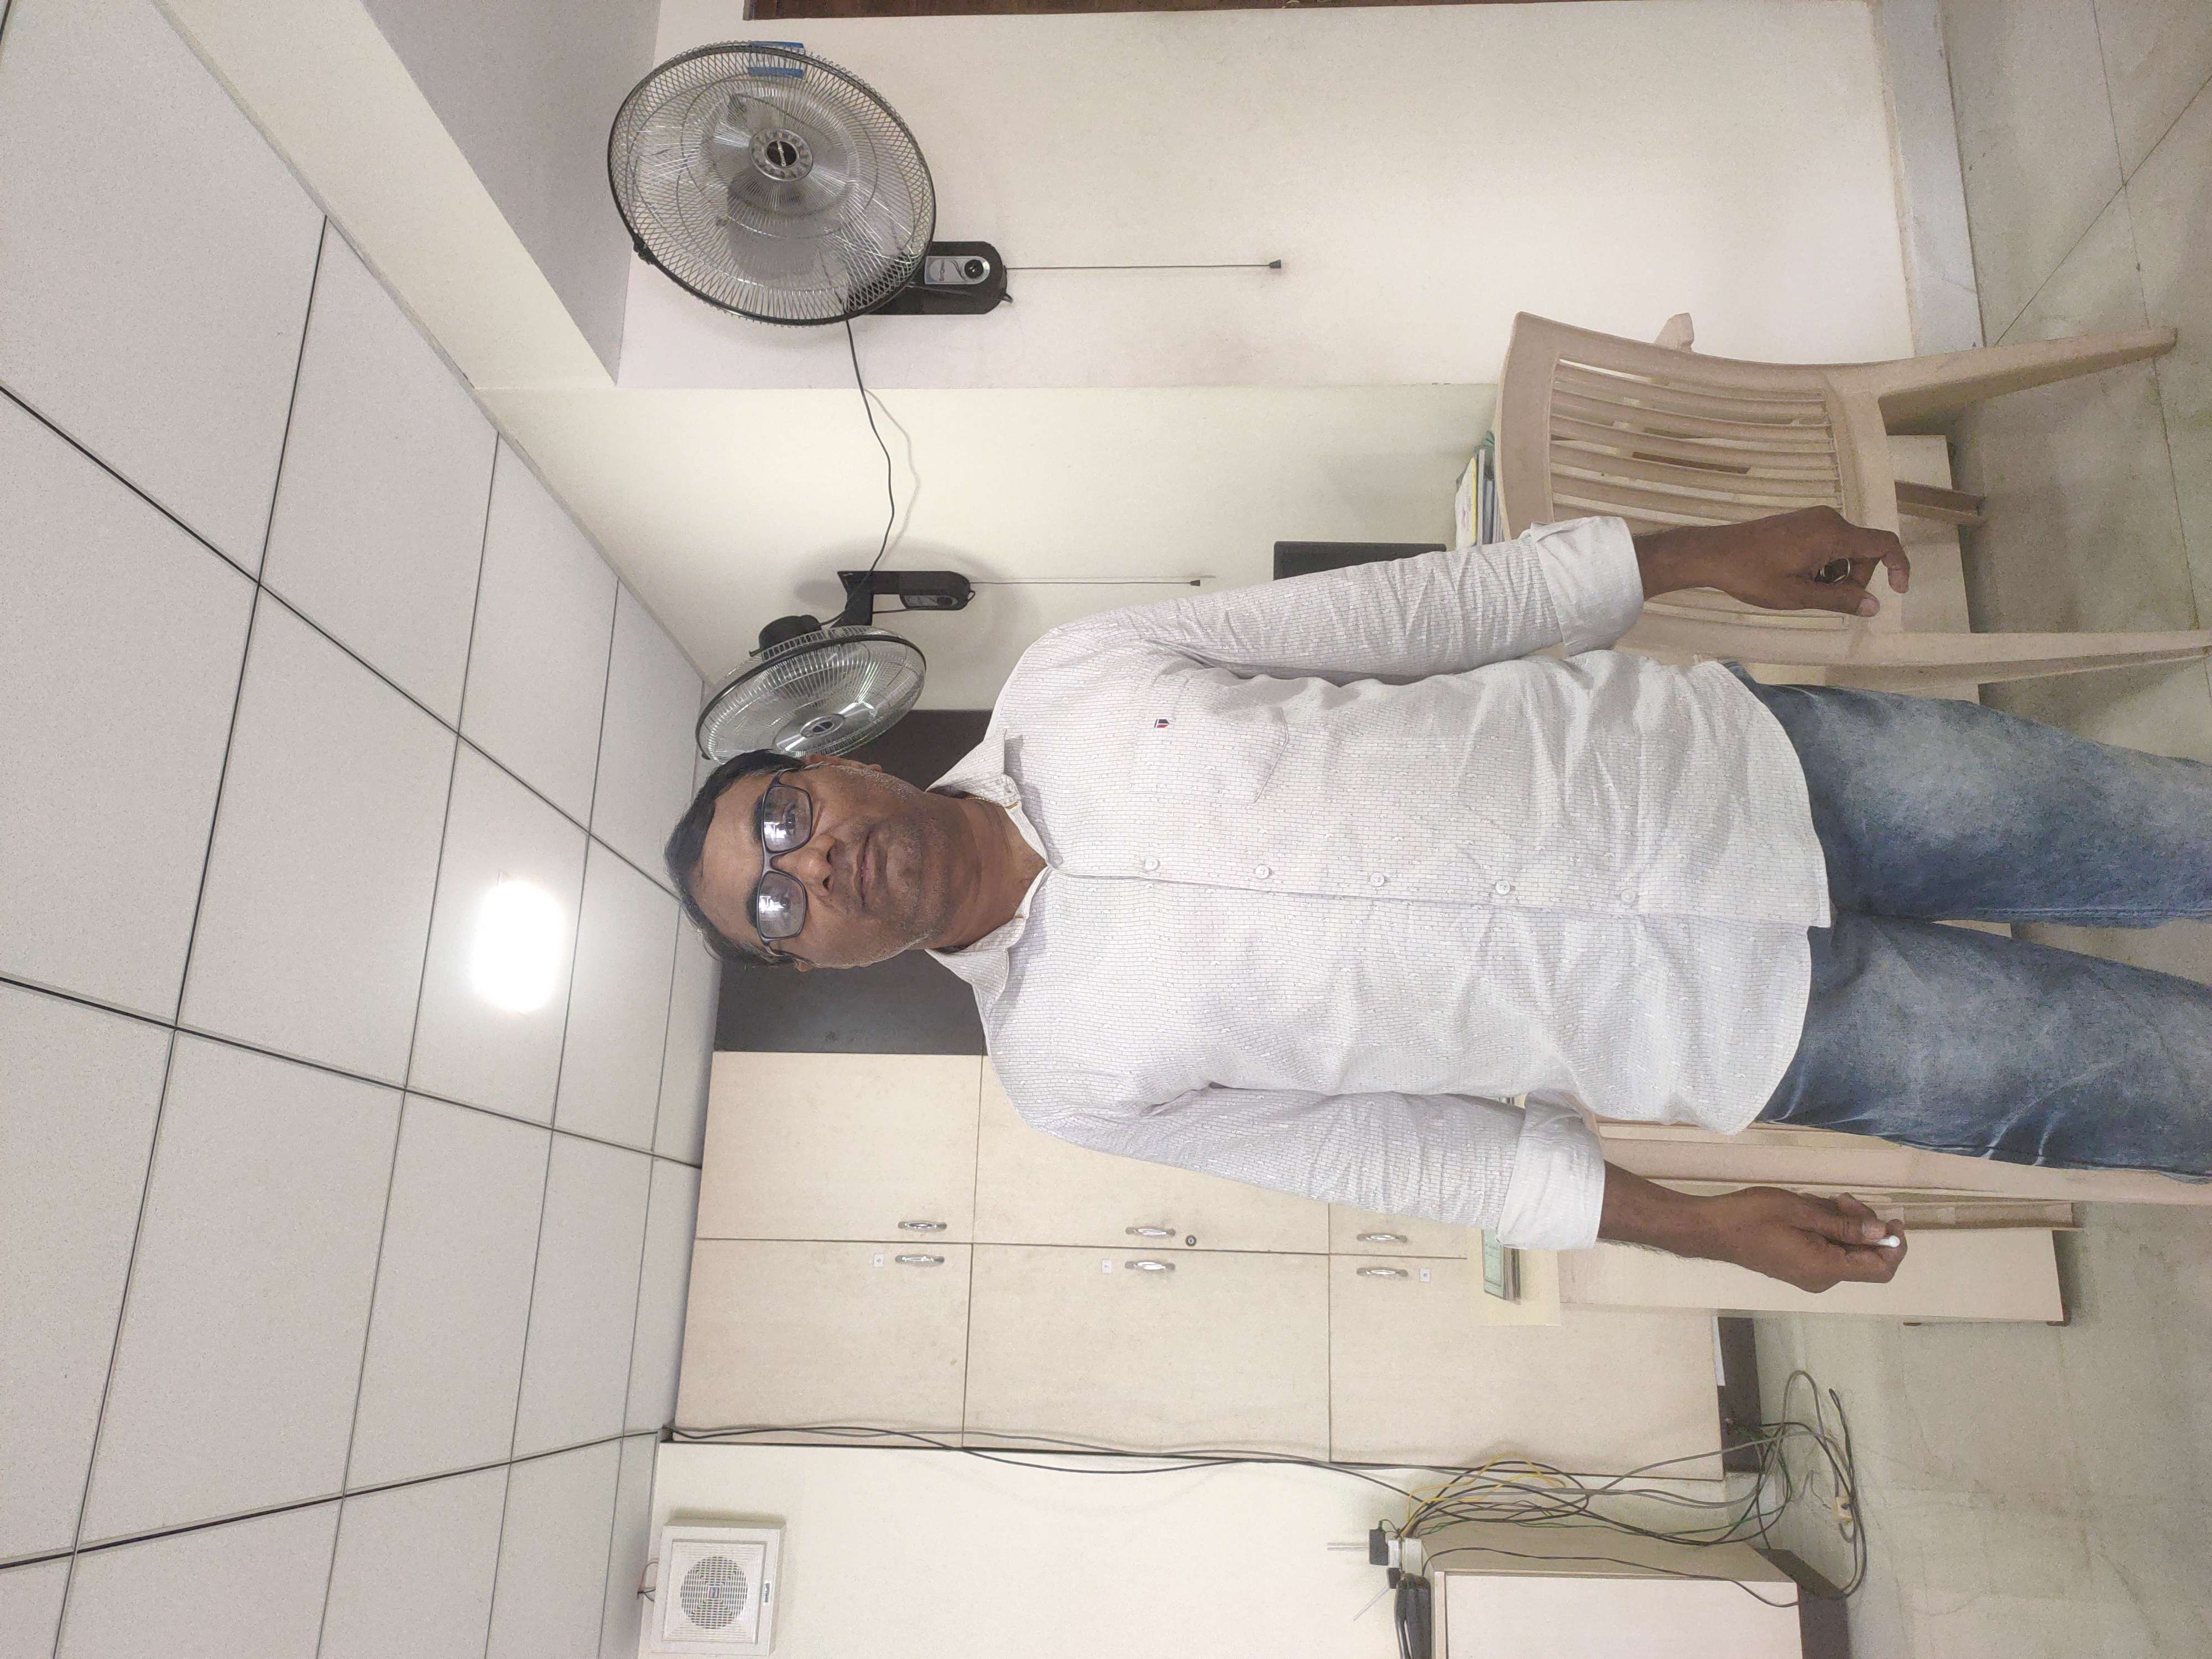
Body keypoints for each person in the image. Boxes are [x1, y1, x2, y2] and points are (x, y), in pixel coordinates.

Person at [665, 508, 2212, 1292]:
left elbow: (1422, 611)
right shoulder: (1063, 1073)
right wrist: (1701, 1231)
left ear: (830, 762)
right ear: (818, 969)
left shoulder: (1077, 680)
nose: (814, 865)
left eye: (782, 819)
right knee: (2168, 1086)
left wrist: (1705, 552)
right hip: (1756, 1028)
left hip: (1756, 772)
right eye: (777, 906)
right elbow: (1409, 1153)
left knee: (2172, 831)